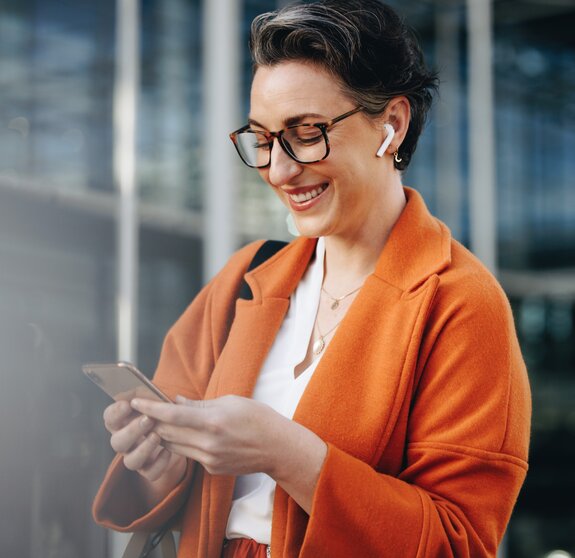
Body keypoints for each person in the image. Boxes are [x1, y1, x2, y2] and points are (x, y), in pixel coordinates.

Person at [93, 1, 531, 557]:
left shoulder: (461, 304)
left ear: (391, 126)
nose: (278, 169)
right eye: (263, 139)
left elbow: (459, 543)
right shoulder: (246, 277)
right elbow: (182, 502)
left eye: (306, 133)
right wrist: (163, 463)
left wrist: (288, 453)